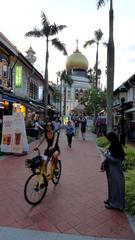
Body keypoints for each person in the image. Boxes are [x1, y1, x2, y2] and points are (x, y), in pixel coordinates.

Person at [101, 131, 125, 211]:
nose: (108, 141)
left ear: (112, 138)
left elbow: (116, 160)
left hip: (115, 170)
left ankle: (116, 204)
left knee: (116, 186)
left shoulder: (117, 146)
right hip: (111, 170)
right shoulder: (113, 144)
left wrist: (106, 155)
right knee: (111, 185)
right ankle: (111, 200)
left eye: (109, 139)